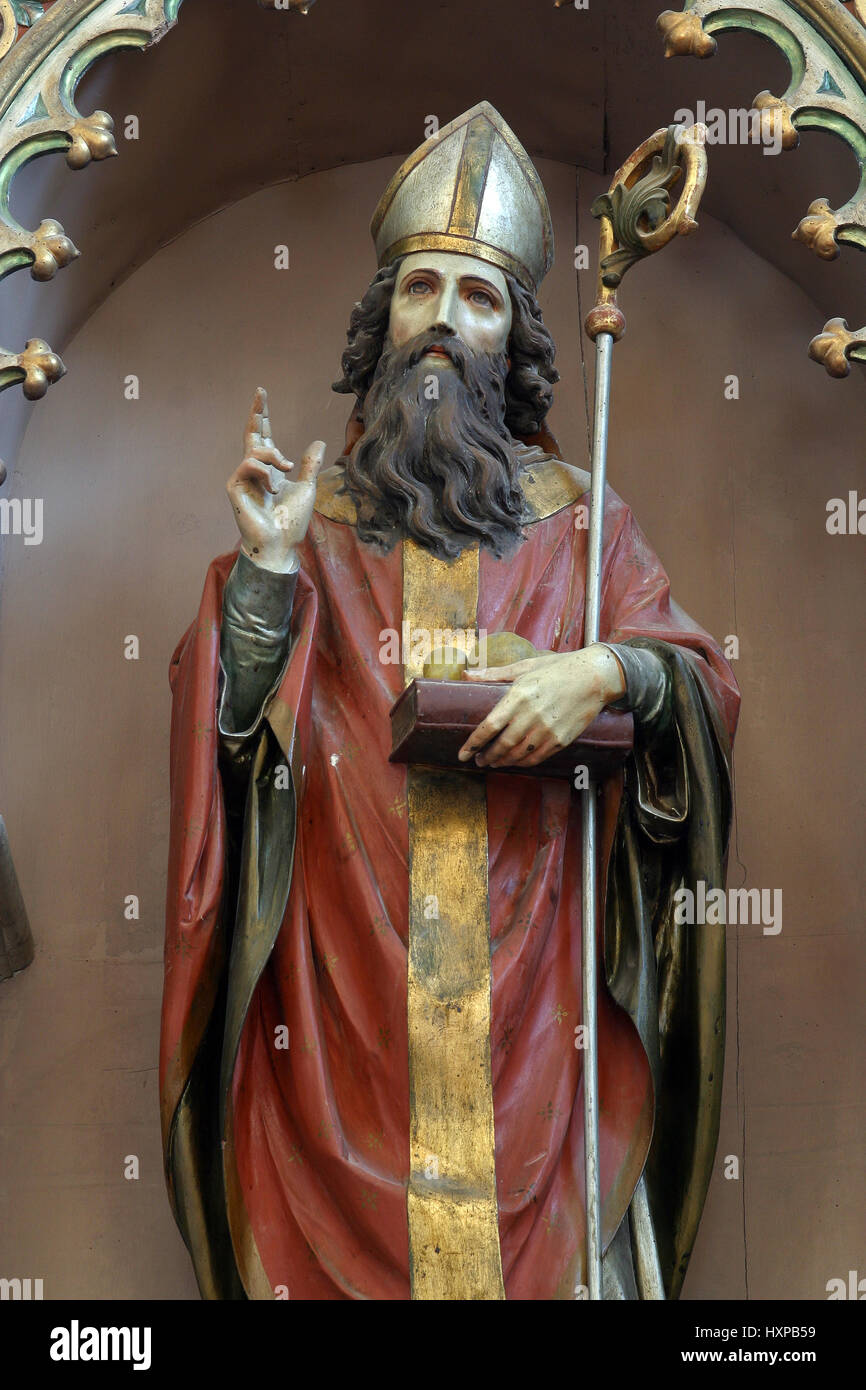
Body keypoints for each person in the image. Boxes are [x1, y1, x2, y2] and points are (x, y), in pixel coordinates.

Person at [160, 102, 740, 1300]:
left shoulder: (577, 518)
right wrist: (263, 582)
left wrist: (603, 667)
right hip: (337, 1007)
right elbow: (227, 749)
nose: (441, 320)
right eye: (417, 290)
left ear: (513, 339)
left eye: (475, 298)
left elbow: (697, 683)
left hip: (534, 998)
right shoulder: (302, 533)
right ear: (381, 324)